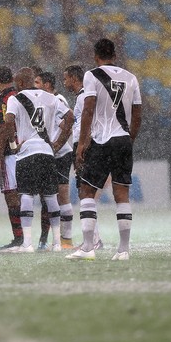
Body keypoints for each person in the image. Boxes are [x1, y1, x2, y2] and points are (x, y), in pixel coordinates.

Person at [67, 38, 142, 261]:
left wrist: (82, 142)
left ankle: (88, 247)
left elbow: (88, 109)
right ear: (115, 55)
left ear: (95, 56)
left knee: (87, 191)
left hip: (100, 141)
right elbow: (137, 113)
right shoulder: (131, 77)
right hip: (122, 140)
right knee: (122, 194)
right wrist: (130, 139)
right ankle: (124, 250)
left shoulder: (92, 75)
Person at [0, 67, 72, 253]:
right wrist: (57, 144)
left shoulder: (16, 98)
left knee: (27, 195)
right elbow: (70, 117)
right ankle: (56, 243)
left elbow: (8, 122)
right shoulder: (51, 97)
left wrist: (14, 145)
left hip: (27, 153)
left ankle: (27, 243)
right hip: (47, 152)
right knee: (50, 196)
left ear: (20, 83)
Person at [63, 64, 103, 250]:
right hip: (86, 144)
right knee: (86, 193)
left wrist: (82, 146)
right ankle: (95, 238)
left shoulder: (83, 98)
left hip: (84, 145)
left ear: (73, 78)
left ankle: (93, 240)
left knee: (84, 192)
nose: (65, 82)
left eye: (66, 78)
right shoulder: (83, 97)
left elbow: (87, 122)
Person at [34, 71, 75, 250]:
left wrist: (56, 145)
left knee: (61, 195)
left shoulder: (57, 100)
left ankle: (66, 240)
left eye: (37, 82)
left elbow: (67, 125)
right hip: (49, 154)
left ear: (47, 85)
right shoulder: (43, 101)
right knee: (48, 197)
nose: (34, 86)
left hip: (60, 154)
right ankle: (51, 240)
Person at [0, 66, 23, 250]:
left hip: (10, 154)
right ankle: (33, 238)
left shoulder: (0, 101)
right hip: (26, 151)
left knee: (12, 197)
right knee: (25, 195)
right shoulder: (21, 96)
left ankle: (19, 239)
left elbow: (3, 129)